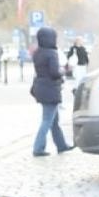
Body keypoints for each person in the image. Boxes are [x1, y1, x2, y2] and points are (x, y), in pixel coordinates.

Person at [29, 28, 73, 156]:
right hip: (50, 89)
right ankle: (38, 148)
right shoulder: (51, 53)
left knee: (54, 120)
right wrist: (64, 71)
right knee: (47, 120)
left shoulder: (37, 52)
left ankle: (61, 145)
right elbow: (54, 73)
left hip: (40, 87)